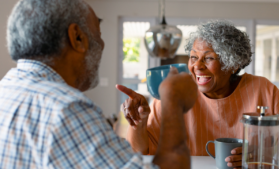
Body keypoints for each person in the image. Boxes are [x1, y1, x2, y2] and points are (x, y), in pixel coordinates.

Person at [0, 0, 198, 168]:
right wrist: (172, 100)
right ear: (77, 37)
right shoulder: (68, 109)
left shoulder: (6, 89)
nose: (101, 44)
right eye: (99, 33)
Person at [118, 20, 279, 168]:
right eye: (193, 57)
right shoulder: (175, 93)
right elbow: (139, 154)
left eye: (209, 58)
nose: (197, 66)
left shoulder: (262, 89)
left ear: (233, 65)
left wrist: (261, 155)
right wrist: (138, 125)